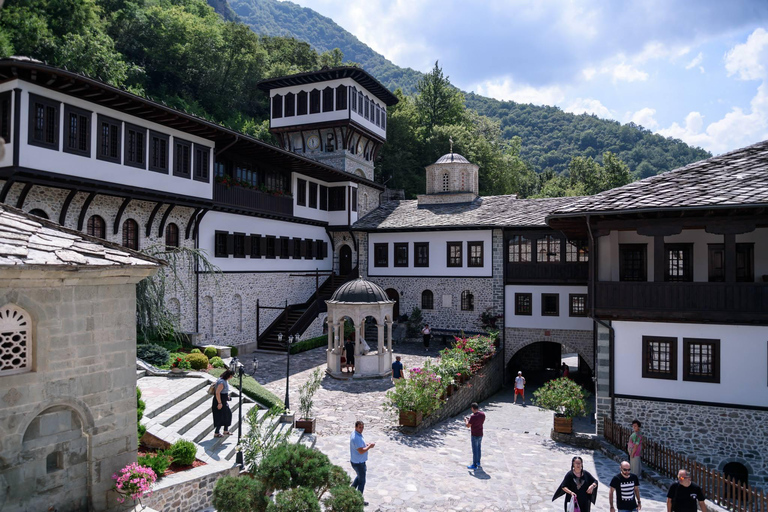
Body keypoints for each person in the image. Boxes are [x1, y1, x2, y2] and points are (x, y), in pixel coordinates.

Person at [349, 420, 375, 506]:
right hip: (359, 463)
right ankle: (358, 500)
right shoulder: (356, 437)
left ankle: (350, 492)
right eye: (360, 427)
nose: (361, 429)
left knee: (359, 477)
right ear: (356, 427)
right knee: (362, 482)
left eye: (362, 427)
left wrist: (366, 444)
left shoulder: (355, 433)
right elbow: (361, 451)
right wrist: (369, 447)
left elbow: (360, 445)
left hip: (357, 461)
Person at [212, 369, 234, 438]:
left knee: (228, 414)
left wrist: (227, 397)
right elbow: (217, 393)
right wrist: (219, 403)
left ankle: (225, 430)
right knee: (220, 417)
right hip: (219, 401)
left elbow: (223, 392)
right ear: (229, 376)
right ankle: (216, 432)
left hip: (223, 401)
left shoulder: (224, 381)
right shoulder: (221, 382)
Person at [464, 402, 485, 470]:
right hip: (480, 433)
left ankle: (474, 464)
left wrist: (466, 420)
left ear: (472, 408)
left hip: (475, 434)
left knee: (475, 450)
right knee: (478, 448)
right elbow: (480, 421)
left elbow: (468, 426)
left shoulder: (473, 416)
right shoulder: (482, 414)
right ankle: (478, 462)